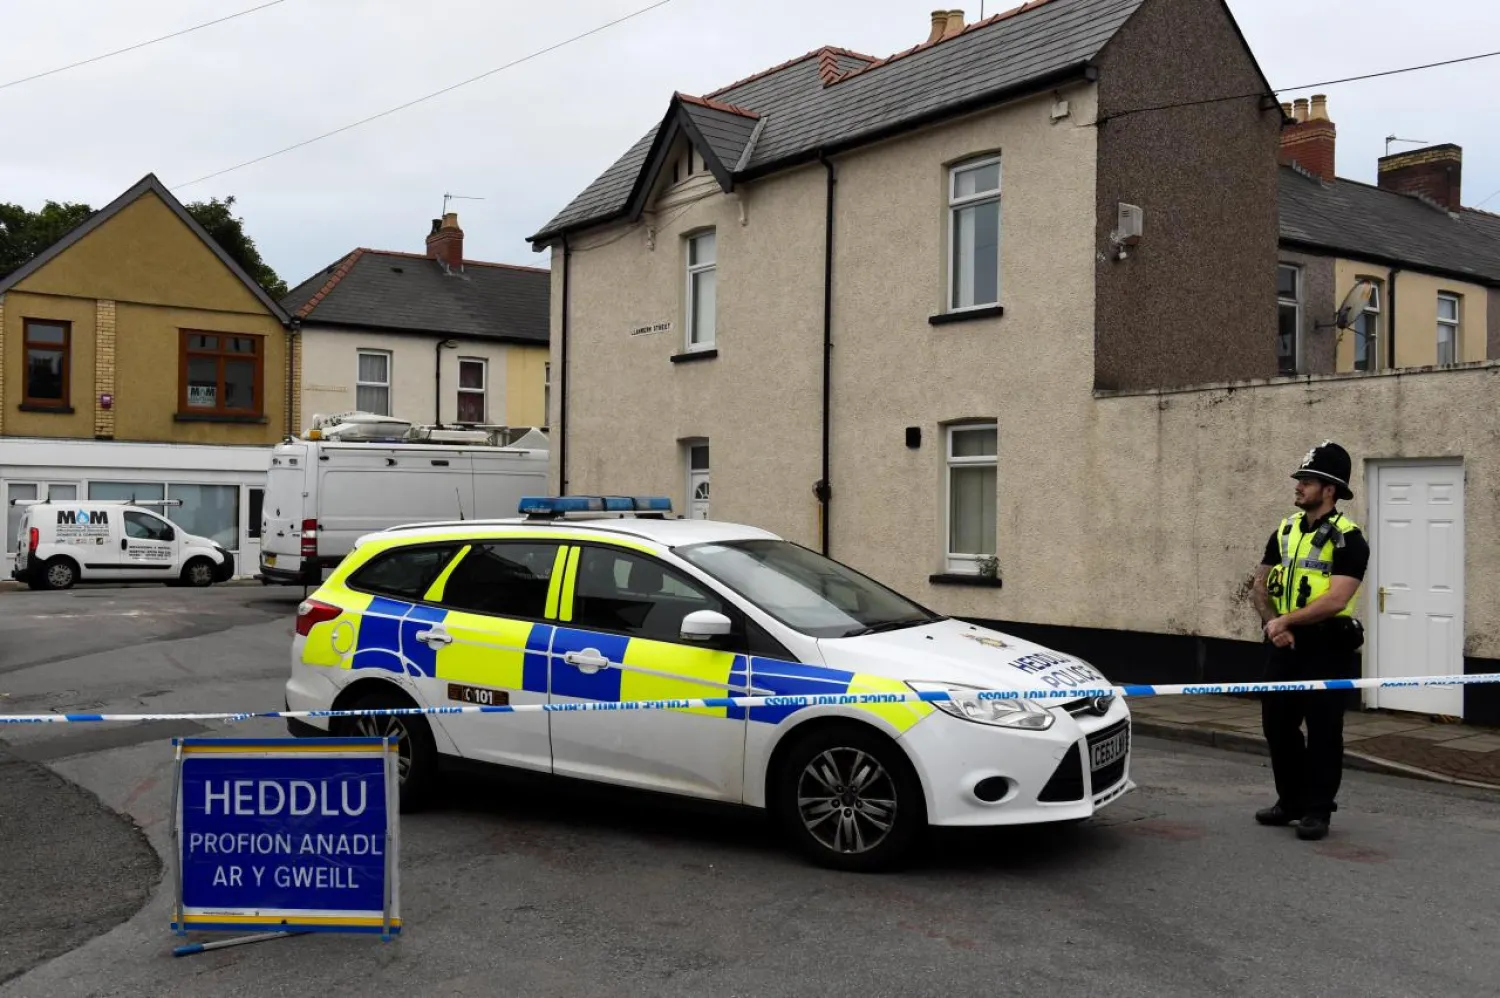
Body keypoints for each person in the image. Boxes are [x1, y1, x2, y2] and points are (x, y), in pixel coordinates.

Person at [1250, 441, 1370, 841]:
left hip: (1326, 646)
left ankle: (1318, 809)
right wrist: (1273, 624)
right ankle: (1291, 801)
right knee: (1277, 724)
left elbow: (1337, 598)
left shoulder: (1349, 539)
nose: (1299, 486)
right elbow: (1259, 584)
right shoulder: (1283, 530)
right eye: (1300, 479)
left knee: (1323, 729)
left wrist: (1286, 620)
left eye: (1307, 480)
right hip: (1282, 643)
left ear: (1330, 489)